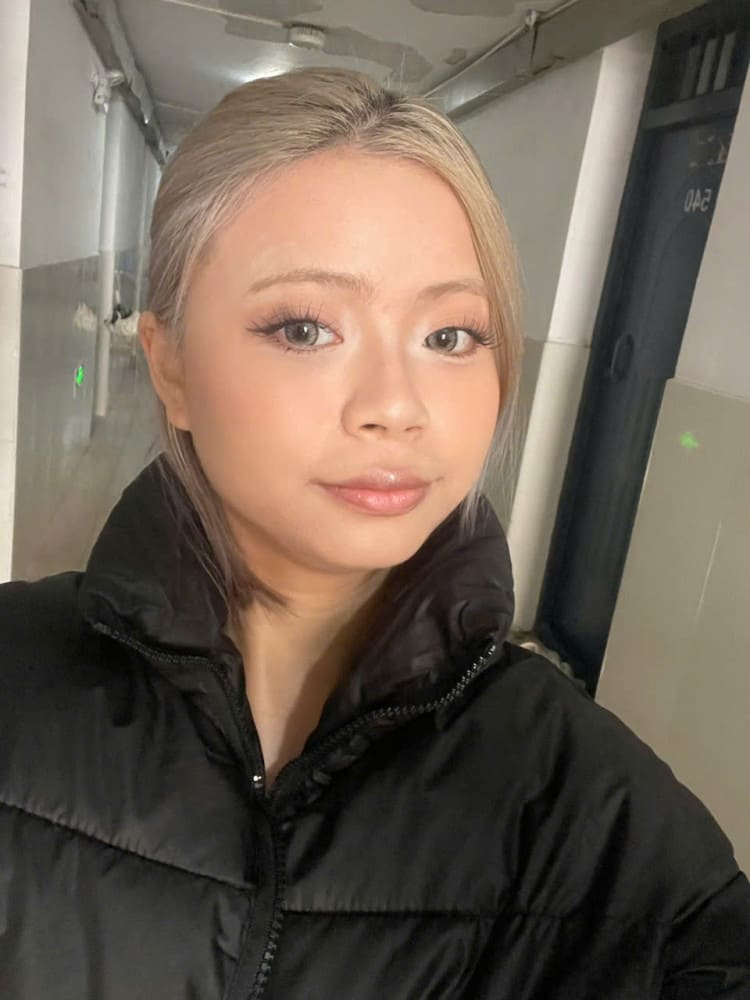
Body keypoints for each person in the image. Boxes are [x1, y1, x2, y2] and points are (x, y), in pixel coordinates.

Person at [0, 67, 748, 1000]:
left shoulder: (587, 807)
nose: (397, 405)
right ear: (172, 366)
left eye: (450, 337)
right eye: (305, 328)